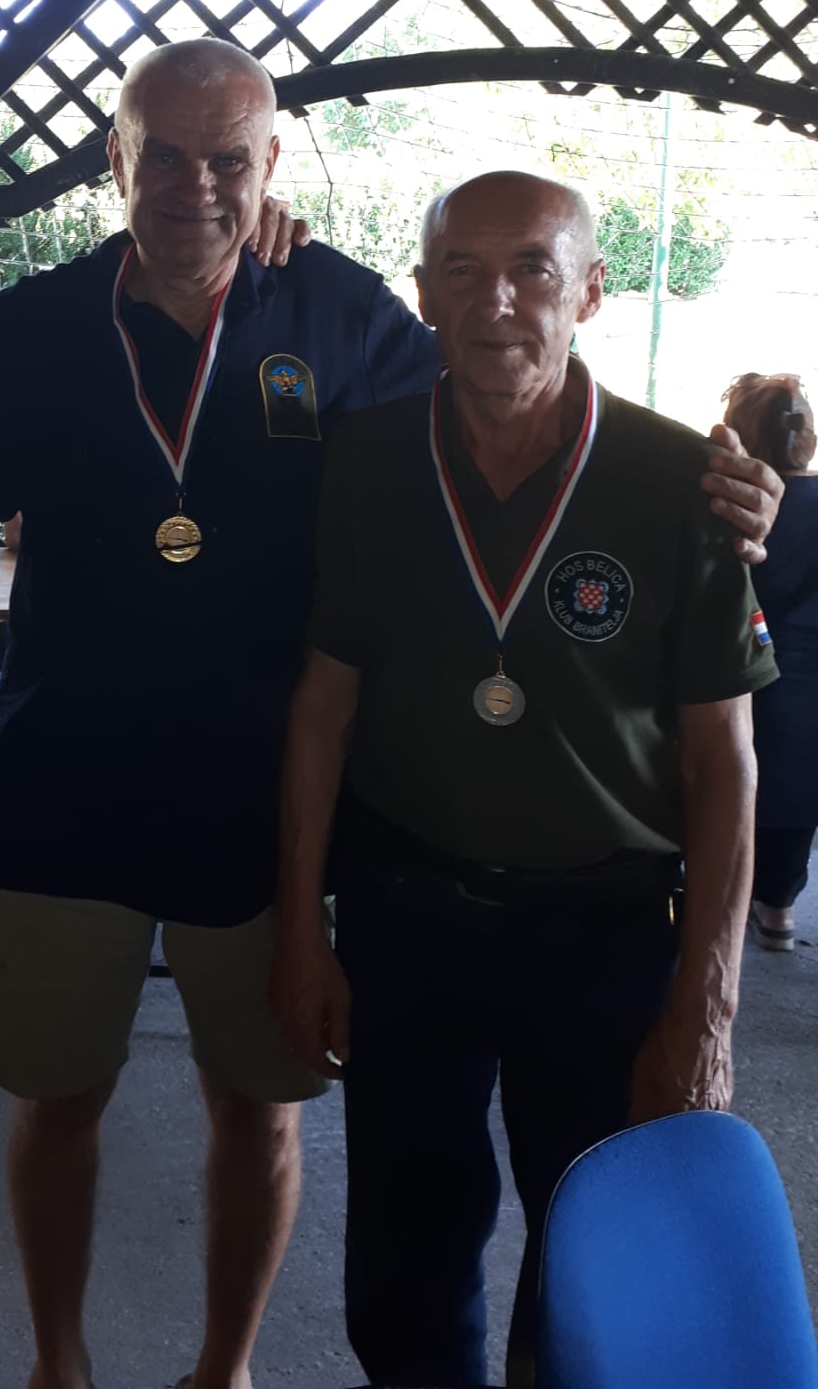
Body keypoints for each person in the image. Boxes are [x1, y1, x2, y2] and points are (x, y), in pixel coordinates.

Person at [0, 51, 780, 1389]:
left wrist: (727, 479)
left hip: (259, 812)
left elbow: (501, 388)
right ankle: (59, 1364)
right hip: (66, 799)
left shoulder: (335, 308)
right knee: (60, 1105)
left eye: (230, 158)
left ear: (272, 165)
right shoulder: (39, 321)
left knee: (265, 1114)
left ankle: (224, 1369)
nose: (197, 185)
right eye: (166, 154)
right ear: (116, 157)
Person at [272, 172, 778, 1389]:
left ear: (590, 291)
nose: (496, 300)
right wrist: (300, 932)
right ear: (423, 294)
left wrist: (706, 1003)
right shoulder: (367, 459)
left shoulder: (683, 482)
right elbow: (323, 708)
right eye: (463, 269)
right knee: (404, 1250)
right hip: (408, 915)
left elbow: (725, 761)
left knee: (596, 1249)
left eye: (532, 268)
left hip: (604, 931)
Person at [722, 373, 818, 951]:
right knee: (797, 800)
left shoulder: (732, 502)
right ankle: (778, 908)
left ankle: (719, 902)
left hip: (744, 677)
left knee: (729, 788)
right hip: (811, 691)